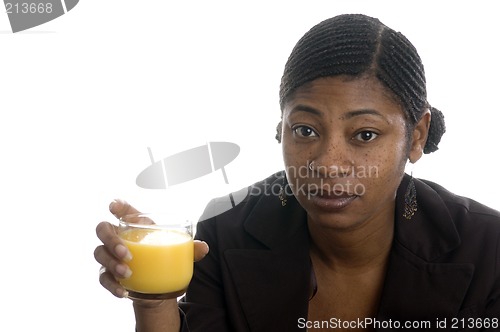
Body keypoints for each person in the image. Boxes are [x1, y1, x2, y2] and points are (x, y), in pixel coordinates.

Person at [94, 14, 500, 331]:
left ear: (416, 137)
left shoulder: (489, 249)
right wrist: (155, 301)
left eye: (364, 134)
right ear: (280, 128)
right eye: (305, 130)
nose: (327, 163)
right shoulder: (226, 229)